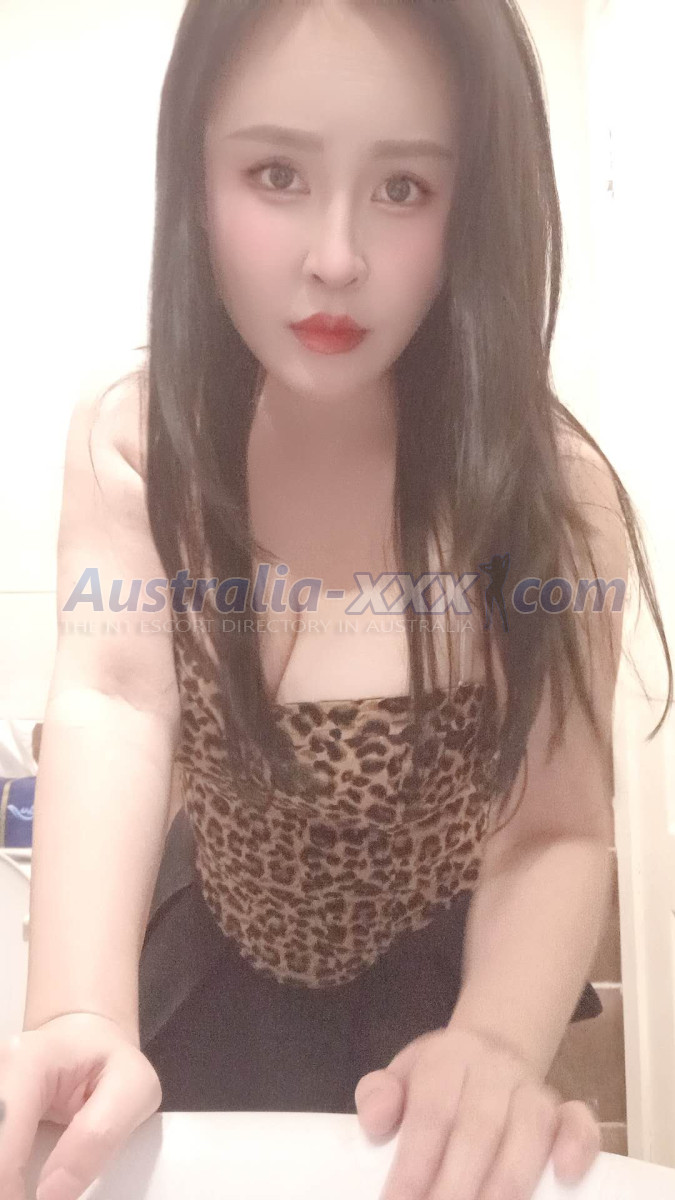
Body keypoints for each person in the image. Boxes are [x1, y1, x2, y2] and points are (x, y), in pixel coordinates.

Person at [0, 1, 672, 1199]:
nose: (336, 257)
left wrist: (500, 1038)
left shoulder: (555, 499)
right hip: (215, 957)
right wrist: (75, 1009)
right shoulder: (139, 444)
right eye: (276, 173)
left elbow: (558, 824)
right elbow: (114, 702)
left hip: (451, 984)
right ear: (195, 174)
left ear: (478, 204)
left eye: (404, 187)